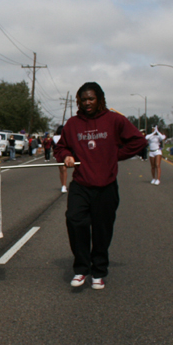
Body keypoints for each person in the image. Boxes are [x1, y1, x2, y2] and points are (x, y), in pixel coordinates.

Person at [54, 82, 146, 290]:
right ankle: (81, 269)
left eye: (91, 99)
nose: (87, 103)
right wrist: (66, 156)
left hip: (106, 185)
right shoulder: (73, 124)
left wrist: (115, 156)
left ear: (100, 99)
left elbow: (138, 141)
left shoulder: (114, 120)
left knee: (102, 231)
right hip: (81, 184)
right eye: (83, 99)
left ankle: (99, 271)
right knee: (75, 220)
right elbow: (60, 147)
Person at [52, 125, 68, 193]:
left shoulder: (55, 137)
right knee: (63, 170)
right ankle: (63, 185)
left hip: (59, 155)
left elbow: (53, 147)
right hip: (62, 154)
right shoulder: (57, 137)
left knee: (62, 170)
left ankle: (63, 185)